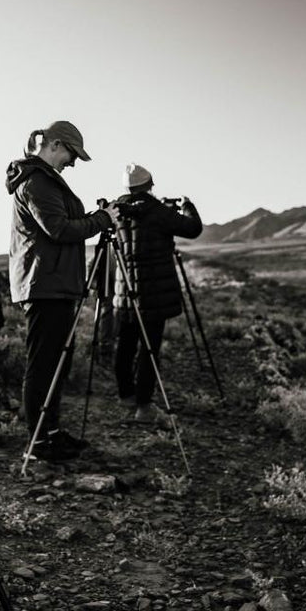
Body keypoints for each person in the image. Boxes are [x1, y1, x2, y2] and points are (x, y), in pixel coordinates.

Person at [5, 121, 119, 462]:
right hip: (45, 285)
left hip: (52, 282)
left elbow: (60, 223)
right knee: (44, 365)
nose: (72, 162)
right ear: (55, 144)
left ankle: (51, 433)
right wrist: (101, 220)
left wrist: (94, 216)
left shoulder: (42, 179)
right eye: (71, 154)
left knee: (56, 364)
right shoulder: (36, 180)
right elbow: (57, 229)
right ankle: (39, 443)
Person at [111, 163, 203, 422]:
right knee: (150, 349)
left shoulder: (116, 212)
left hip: (125, 292)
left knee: (126, 345)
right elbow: (193, 228)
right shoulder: (158, 212)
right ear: (149, 185)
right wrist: (187, 206)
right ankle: (145, 406)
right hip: (153, 294)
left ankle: (126, 395)